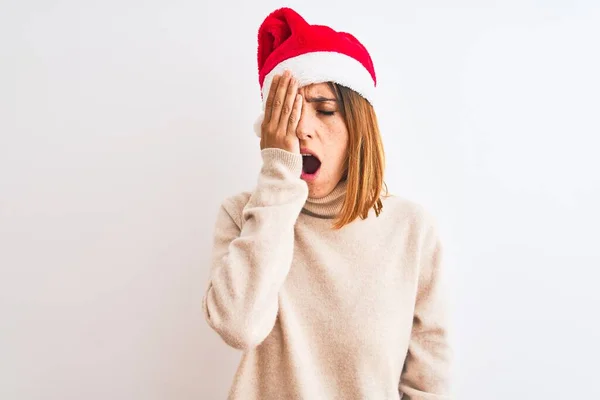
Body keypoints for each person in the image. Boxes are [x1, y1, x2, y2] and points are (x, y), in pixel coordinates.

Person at [202, 7, 452, 400]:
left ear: (359, 126)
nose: (302, 128)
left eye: (324, 110)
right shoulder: (242, 215)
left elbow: (429, 387)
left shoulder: (411, 230)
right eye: (288, 113)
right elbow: (239, 326)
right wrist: (279, 178)